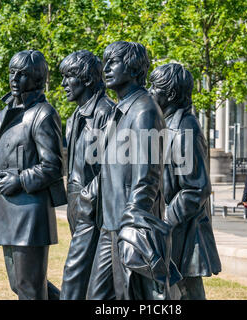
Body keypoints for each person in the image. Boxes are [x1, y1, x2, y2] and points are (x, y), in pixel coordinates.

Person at [85, 41, 176, 300]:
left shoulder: (144, 110)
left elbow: (147, 176)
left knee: (130, 298)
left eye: (113, 62)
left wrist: (131, 224)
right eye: (105, 62)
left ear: (134, 68)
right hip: (109, 224)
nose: (106, 69)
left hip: (127, 225)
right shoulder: (122, 109)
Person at [0, 50, 67, 300]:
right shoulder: (8, 111)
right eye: (12, 72)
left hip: (30, 215)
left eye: (22, 74)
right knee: (20, 285)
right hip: (8, 213)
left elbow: (53, 166)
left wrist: (19, 179)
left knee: (30, 288)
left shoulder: (43, 114)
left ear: (37, 79)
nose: (14, 79)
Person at [149, 63, 221, 300]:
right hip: (174, 232)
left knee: (187, 293)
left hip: (185, 234)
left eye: (155, 87)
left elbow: (197, 188)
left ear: (170, 94)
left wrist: (166, 219)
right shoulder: (168, 125)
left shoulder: (184, 129)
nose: (150, 91)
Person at [59, 50, 114, 300]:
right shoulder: (74, 118)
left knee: (73, 281)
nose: (63, 84)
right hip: (78, 209)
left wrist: (87, 199)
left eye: (69, 77)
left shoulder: (106, 112)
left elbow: (112, 167)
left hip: (93, 210)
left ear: (88, 79)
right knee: (87, 285)